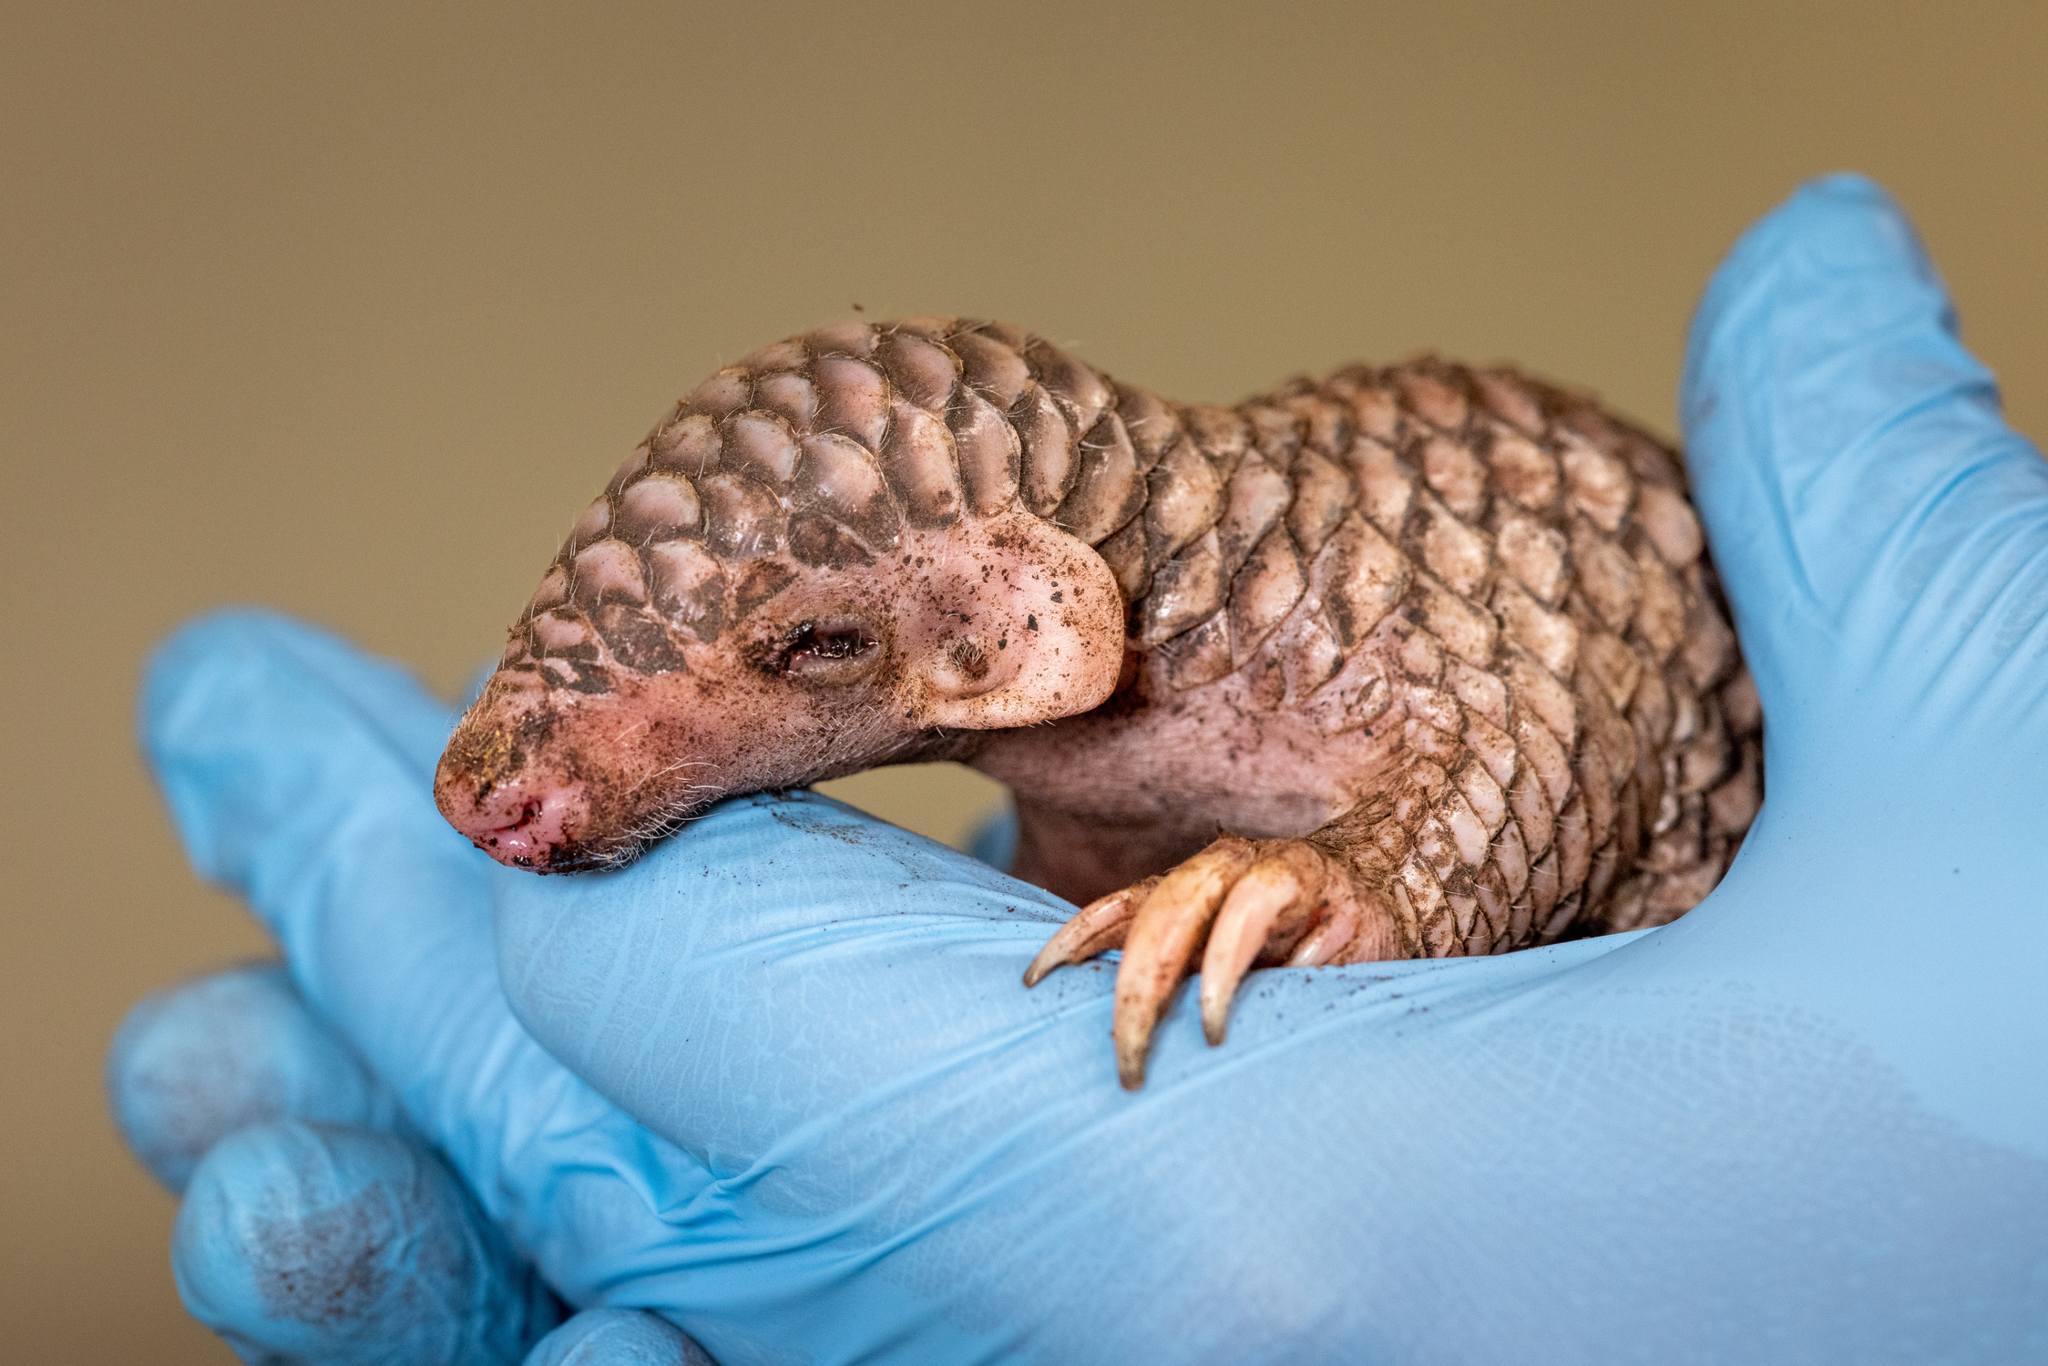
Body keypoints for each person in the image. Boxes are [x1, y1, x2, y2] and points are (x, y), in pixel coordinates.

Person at [108, 176, 2048, 1364]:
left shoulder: (1399, 580)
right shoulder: (1077, 739)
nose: (569, 782)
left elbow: (1551, 705)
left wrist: (1356, 887)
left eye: (797, 657)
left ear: (1012, 626)